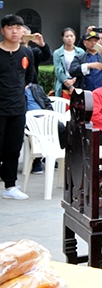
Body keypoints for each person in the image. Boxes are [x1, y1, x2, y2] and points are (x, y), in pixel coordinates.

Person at [0, 14, 36, 200]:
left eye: (18, 27)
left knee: (13, 147)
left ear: (23, 30)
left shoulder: (26, 53)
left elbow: (30, 76)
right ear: (3, 30)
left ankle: (10, 185)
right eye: (10, 27)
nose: (14, 31)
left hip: (18, 108)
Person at [53, 27, 84, 98]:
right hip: (64, 82)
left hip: (77, 82)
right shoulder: (57, 53)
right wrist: (67, 83)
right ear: (63, 38)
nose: (69, 38)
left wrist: (74, 80)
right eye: (67, 36)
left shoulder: (81, 52)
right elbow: (58, 71)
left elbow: (82, 68)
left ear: (75, 37)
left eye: (71, 36)